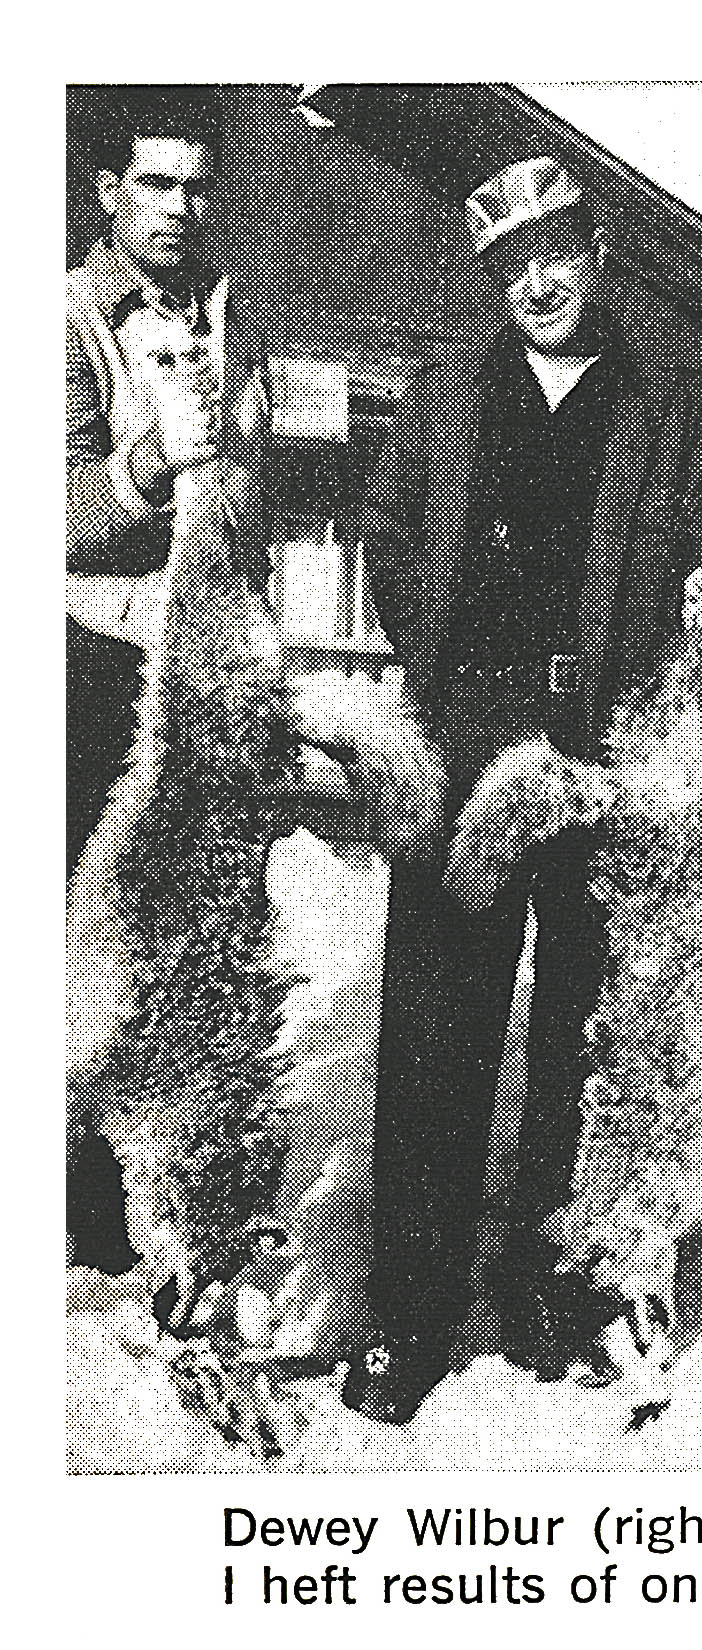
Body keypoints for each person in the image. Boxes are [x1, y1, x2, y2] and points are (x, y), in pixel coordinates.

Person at [343, 157, 702, 1424]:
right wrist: (438, 656)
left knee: (586, 1019)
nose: (539, 283)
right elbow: (388, 533)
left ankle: (549, 1292)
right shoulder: (449, 390)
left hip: (604, 739)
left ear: (598, 249)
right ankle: (409, 1318)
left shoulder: (668, 400)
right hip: (471, 733)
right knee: (436, 1026)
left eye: (557, 252)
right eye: (513, 266)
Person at [66, 87, 269, 1274]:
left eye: (197, 184)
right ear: (108, 192)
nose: (180, 206)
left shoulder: (234, 315)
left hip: (201, 679)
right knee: (85, 952)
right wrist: (147, 463)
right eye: (156, 182)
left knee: (195, 953)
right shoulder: (63, 316)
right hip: (92, 673)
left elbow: (256, 499)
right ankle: (81, 1230)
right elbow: (53, 513)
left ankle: (189, 1218)